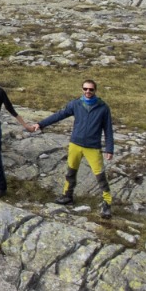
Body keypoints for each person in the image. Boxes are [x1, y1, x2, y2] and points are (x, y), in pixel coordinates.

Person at [35, 79, 117, 218]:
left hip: (93, 147)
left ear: (95, 90)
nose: (88, 92)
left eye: (91, 89)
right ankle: (67, 196)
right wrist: (41, 124)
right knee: (71, 172)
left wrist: (109, 149)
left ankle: (107, 204)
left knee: (100, 176)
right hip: (75, 144)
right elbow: (59, 115)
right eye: (85, 89)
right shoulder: (76, 104)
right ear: (82, 89)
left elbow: (108, 129)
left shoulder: (103, 107)